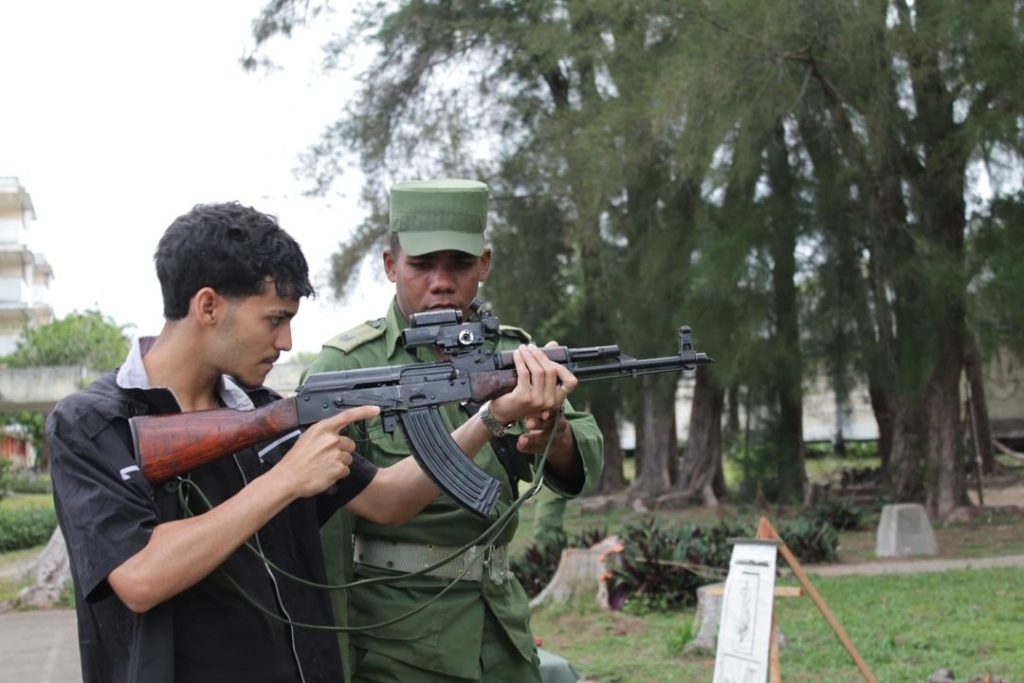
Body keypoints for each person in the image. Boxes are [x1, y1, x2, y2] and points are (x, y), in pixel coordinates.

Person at [47, 201, 578, 683]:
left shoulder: (261, 412)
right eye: (275, 320)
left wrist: (490, 415)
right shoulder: (93, 425)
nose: (287, 342)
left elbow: (389, 499)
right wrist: (283, 481)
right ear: (208, 306)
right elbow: (140, 578)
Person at [304, 178, 604, 683]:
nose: (441, 282)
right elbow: (326, 537)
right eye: (422, 265)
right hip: (395, 640)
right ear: (390, 265)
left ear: (484, 264)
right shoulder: (349, 366)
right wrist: (329, 662)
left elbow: (583, 458)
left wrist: (552, 433)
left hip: (500, 627)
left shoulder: (513, 355)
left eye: (460, 265)